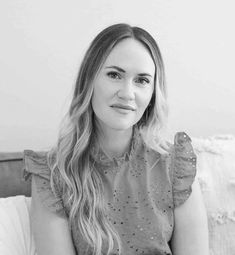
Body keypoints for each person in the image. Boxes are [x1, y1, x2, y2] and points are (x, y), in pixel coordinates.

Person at [23, 23, 209, 255]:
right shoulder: (52, 174)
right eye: (114, 75)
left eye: (141, 80)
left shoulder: (175, 165)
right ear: (89, 80)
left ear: (152, 93)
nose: (127, 93)